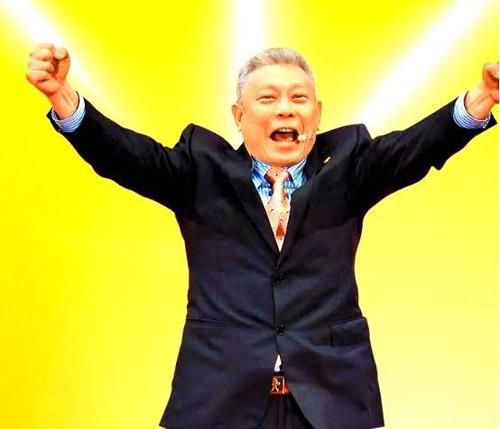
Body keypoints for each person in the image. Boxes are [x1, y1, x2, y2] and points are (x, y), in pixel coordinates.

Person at [26, 44, 498, 429]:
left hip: (330, 402)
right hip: (220, 402)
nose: (285, 108)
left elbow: (416, 148)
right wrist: (63, 98)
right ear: (238, 114)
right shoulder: (200, 170)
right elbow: (125, 156)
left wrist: (481, 97)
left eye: (299, 98)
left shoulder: (348, 167)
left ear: (317, 113)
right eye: (268, 98)